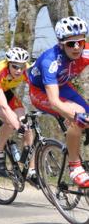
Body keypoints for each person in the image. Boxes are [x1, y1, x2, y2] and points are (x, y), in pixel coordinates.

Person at [27, 16, 89, 187]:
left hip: (63, 85)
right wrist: (76, 116)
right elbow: (54, 102)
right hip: (42, 92)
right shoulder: (50, 61)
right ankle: (75, 167)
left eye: (80, 42)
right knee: (78, 115)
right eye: (71, 44)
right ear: (61, 44)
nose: (76, 47)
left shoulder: (86, 51)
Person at [0, 47, 36, 182]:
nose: (19, 70)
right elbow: (3, 106)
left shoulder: (26, 70)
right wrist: (16, 125)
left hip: (6, 91)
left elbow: (37, 89)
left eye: (21, 67)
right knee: (10, 121)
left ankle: (31, 171)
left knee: (27, 124)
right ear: (8, 63)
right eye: (15, 67)